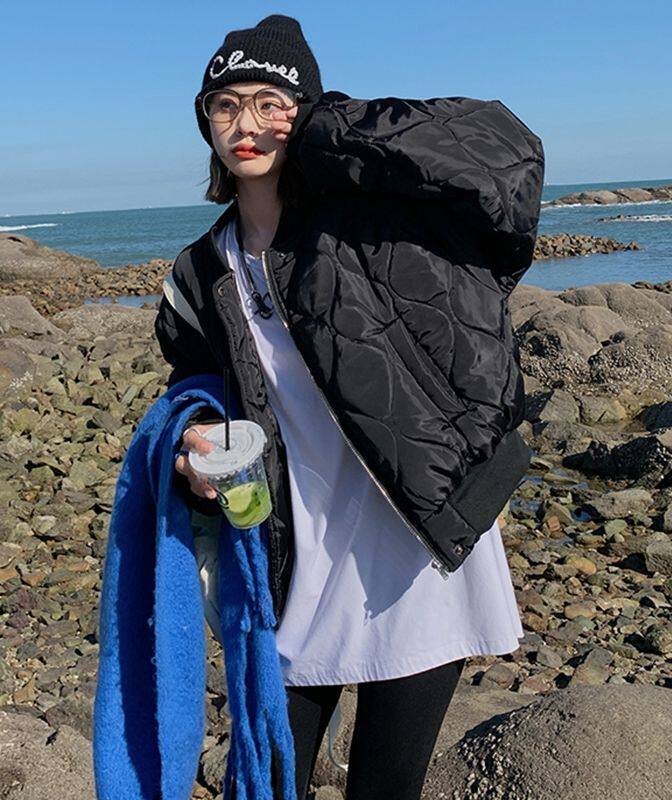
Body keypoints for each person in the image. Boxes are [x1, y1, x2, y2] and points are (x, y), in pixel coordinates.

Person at [155, 14, 544, 800]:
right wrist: (190, 446)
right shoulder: (200, 273)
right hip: (297, 554)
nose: (246, 125)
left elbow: (506, 160)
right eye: (225, 105)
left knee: (386, 786)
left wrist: (333, 126)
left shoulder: (373, 222)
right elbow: (194, 388)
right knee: (265, 779)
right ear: (205, 123)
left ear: (304, 111)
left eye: (270, 103)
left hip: (418, 541)